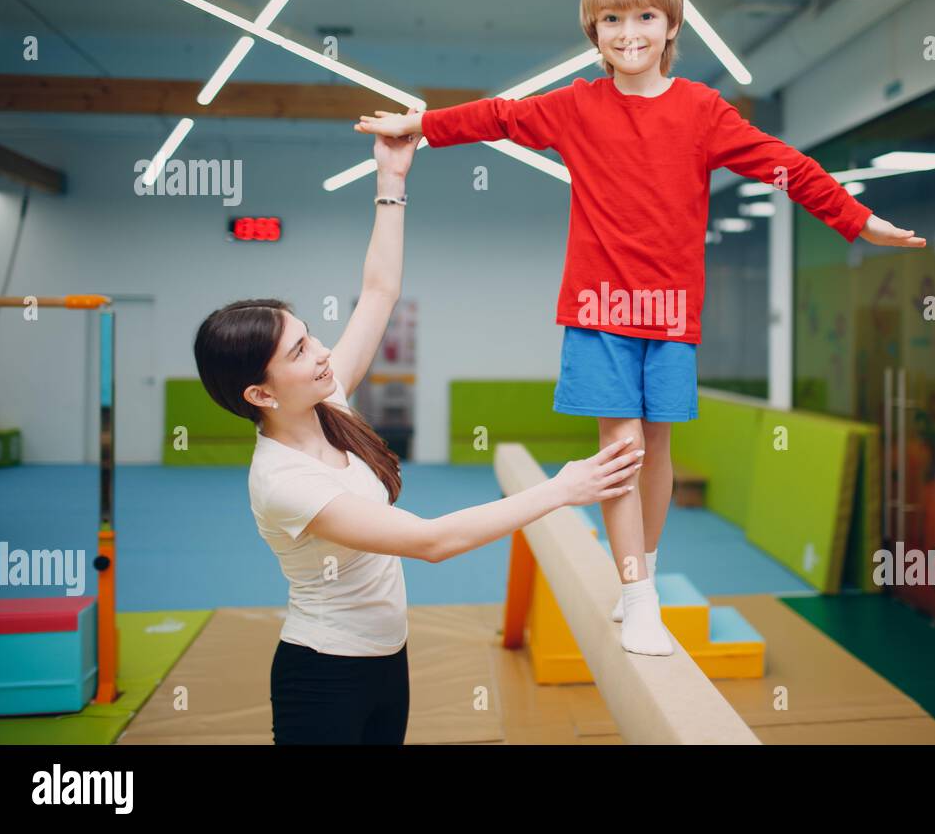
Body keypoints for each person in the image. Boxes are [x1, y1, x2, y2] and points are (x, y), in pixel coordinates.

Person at [354, 0, 925, 658]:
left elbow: (786, 164)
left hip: (672, 315)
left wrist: (855, 217)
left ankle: (643, 573)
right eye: (612, 19)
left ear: (670, 24)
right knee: (620, 450)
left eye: (645, 16)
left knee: (657, 451)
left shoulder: (702, 112)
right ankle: (637, 595)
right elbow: (501, 116)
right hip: (598, 312)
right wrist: (427, 125)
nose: (629, 32)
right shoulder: (576, 106)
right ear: (595, 31)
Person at [193, 115, 643, 743]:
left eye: (309, 336)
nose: (321, 351)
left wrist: (391, 179)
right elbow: (432, 542)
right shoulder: (283, 482)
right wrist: (562, 490)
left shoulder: (331, 404)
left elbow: (378, 292)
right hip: (324, 676)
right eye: (297, 352)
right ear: (260, 393)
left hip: (387, 661)